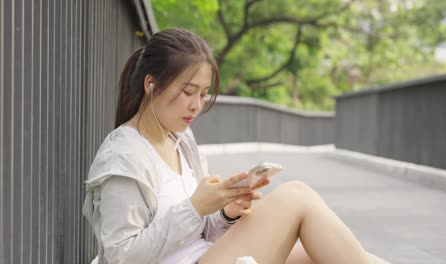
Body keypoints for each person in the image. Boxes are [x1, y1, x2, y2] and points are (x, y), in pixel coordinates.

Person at [82, 28, 390, 264]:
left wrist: (225, 213)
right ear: (152, 85)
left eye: (203, 94)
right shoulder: (123, 156)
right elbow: (120, 256)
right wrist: (195, 208)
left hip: (206, 254)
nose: (196, 106)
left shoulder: (180, 140)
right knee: (296, 196)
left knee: (324, 252)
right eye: (188, 92)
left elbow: (199, 233)